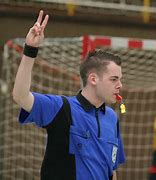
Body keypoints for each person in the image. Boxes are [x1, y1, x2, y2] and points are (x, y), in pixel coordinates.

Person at [12, 10, 125, 180]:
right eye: (114, 79)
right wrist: (30, 50)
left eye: (120, 79)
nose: (120, 85)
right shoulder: (61, 108)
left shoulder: (112, 117)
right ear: (93, 79)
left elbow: (112, 170)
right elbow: (20, 96)